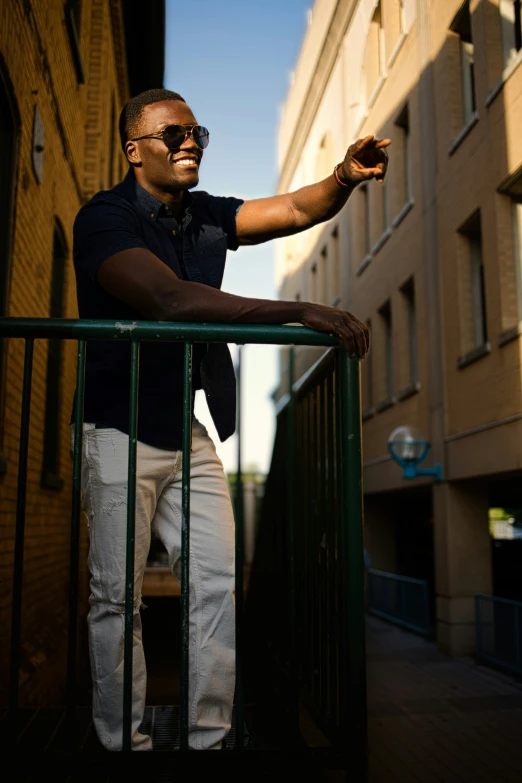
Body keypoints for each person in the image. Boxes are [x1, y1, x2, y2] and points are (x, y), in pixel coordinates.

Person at [70, 88, 390, 752]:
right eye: (174, 133)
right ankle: (120, 743)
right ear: (134, 150)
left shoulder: (207, 216)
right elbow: (168, 298)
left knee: (215, 582)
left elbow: (299, 207)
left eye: (199, 133)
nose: (192, 142)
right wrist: (300, 310)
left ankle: (207, 738)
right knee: (115, 597)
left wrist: (344, 178)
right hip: (115, 425)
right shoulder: (104, 218)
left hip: (184, 430)